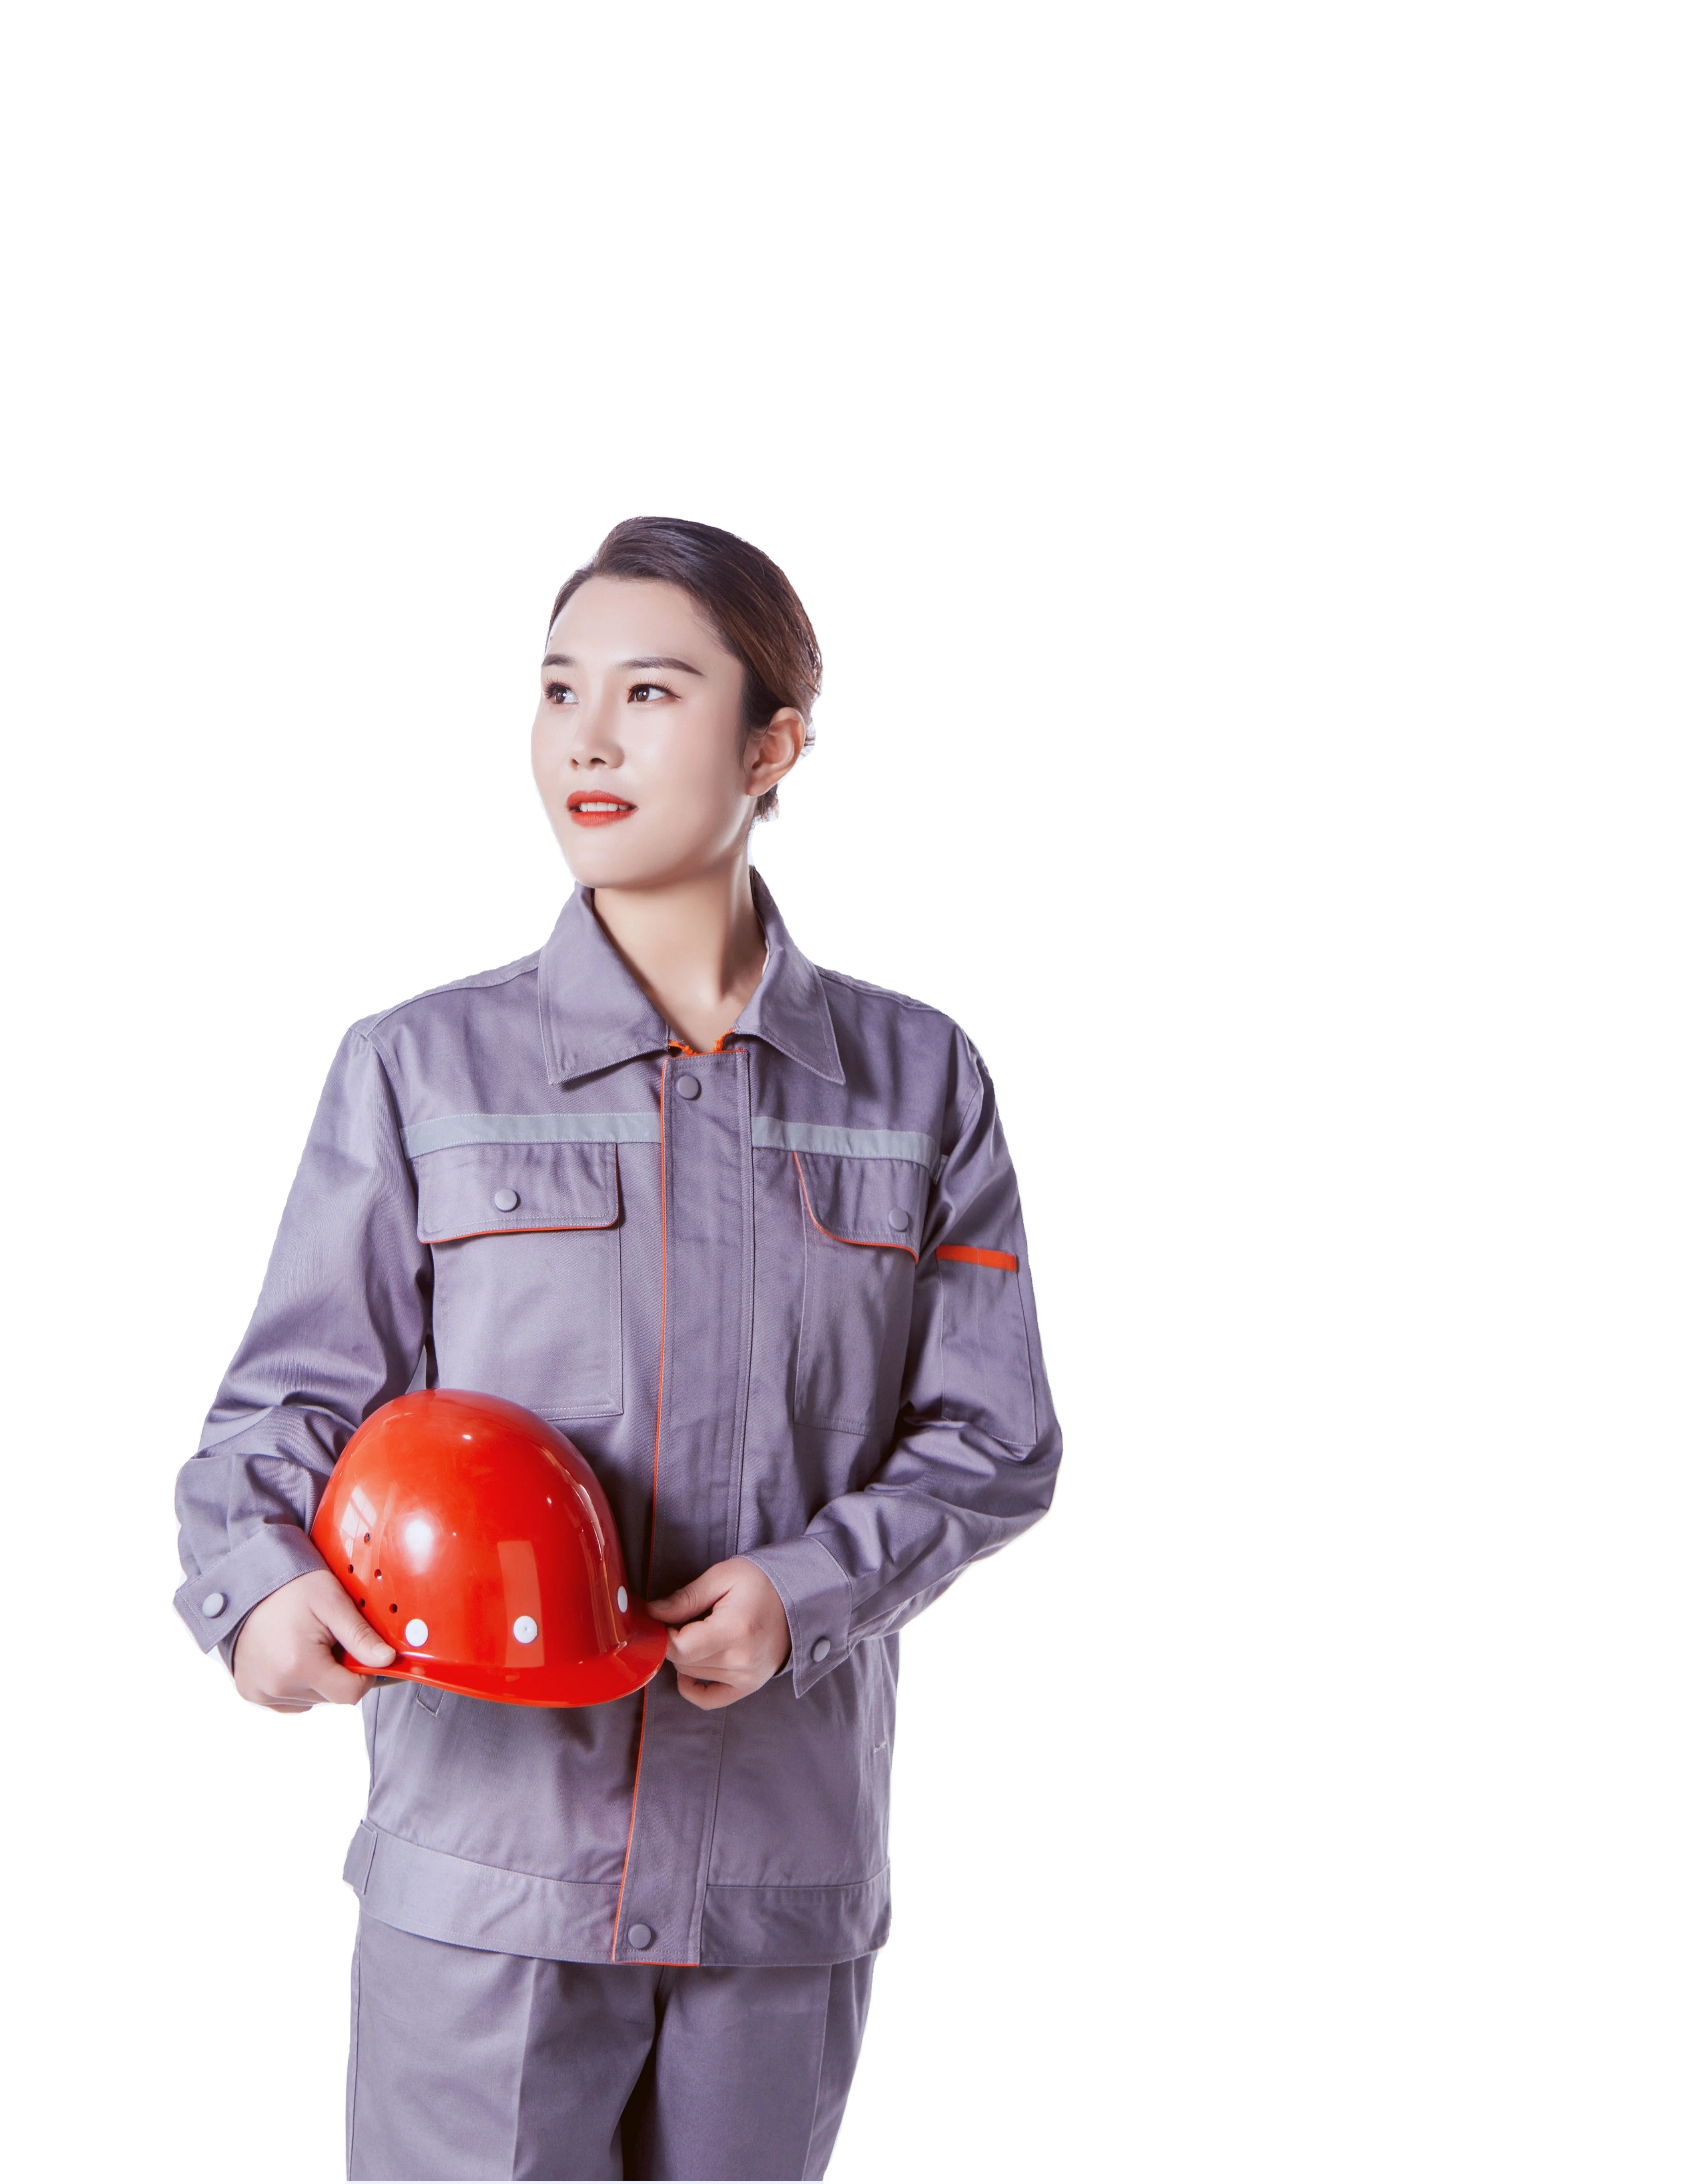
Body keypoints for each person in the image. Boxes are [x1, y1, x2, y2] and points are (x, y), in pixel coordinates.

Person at [172, 517, 1062, 2180]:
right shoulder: (420, 1068)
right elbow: (285, 1408)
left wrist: (807, 1590)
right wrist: (257, 1588)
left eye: (649, 693)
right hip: (487, 1876)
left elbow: (992, 1435)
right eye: (557, 689)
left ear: (772, 745)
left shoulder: (919, 1081)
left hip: (774, 1884)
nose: (585, 738)